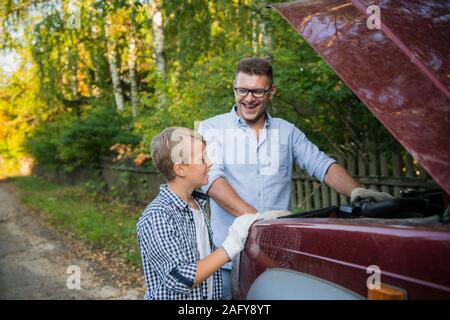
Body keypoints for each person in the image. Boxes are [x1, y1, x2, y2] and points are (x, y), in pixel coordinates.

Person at [197, 57, 393, 299]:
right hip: (227, 261)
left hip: (277, 261)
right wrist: (256, 219)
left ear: (272, 91)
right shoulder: (210, 128)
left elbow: (321, 164)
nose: (248, 98)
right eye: (242, 90)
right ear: (234, 87)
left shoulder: (287, 131)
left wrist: (355, 191)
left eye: (257, 91)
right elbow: (211, 180)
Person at [136, 127, 261, 300]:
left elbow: (202, 256)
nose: (209, 163)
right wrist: (231, 245)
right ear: (180, 169)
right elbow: (179, 278)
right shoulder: (158, 215)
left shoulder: (196, 205)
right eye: (202, 158)